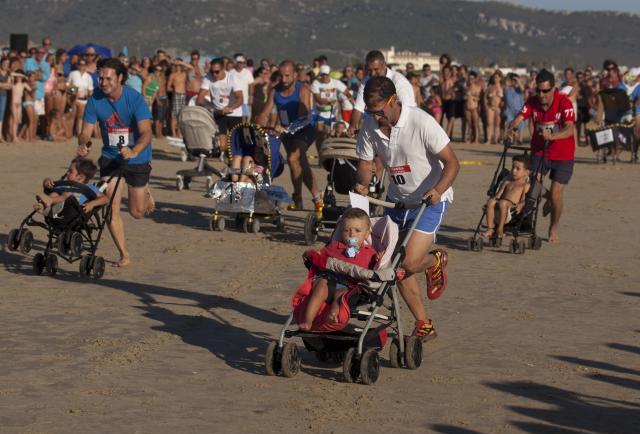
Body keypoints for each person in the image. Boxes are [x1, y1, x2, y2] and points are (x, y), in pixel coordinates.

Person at [354, 76, 460, 339]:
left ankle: (435, 260)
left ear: (393, 102)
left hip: (430, 201)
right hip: (396, 200)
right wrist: (362, 185)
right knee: (392, 266)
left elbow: (452, 163)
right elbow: (366, 164)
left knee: (409, 261)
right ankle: (424, 324)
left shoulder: (420, 121)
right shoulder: (369, 125)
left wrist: (437, 190)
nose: (374, 116)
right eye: (370, 111)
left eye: (378, 111)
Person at [76, 58, 155, 267]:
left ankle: (145, 193)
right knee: (110, 207)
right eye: (100, 77)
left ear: (120, 78)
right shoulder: (95, 100)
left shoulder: (134, 99)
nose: (103, 82)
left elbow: (147, 132)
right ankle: (124, 254)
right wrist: (84, 143)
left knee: (137, 212)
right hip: (111, 158)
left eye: (108, 78)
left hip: (138, 156)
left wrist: (135, 150)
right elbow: (84, 132)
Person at [507, 68, 576, 243]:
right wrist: (512, 129)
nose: (541, 94)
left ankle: (553, 227)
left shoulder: (564, 102)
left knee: (556, 194)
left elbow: (569, 129)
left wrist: (552, 136)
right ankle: (542, 203)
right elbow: (518, 118)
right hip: (540, 150)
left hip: (563, 153)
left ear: (553, 89)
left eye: (545, 90)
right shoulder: (532, 102)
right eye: (538, 90)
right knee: (532, 186)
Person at [256, 60, 322, 213]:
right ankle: (318, 199)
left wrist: (286, 128)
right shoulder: (275, 91)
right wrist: (257, 126)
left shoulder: (302, 89)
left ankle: (297, 198)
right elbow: (264, 113)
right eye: (281, 76)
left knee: (293, 158)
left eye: (287, 76)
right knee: (301, 163)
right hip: (285, 132)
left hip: (305, 129)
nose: (284, 80)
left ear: (294, 75)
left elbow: (303, 116)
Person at [299, 208, 378, 330]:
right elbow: (320, 255)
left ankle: (333, 314)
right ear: (341, 231)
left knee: (341, 295)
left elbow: (377, 269)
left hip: (348, 285)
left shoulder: (370, 252)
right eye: (346, 230)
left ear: (367, 234)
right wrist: (311, 254)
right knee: (320, 288)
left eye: (358, 231)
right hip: (328, 279)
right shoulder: (335, 246)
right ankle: (307, 321)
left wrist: (379, 257)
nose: (352, 234)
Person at [349, 50, 416, 136]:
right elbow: (358, 107)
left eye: (376, 69)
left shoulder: (399, 82)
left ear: (384, 65)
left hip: (403, 127)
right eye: (369, 70)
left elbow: (408, 111)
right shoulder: (366, 81)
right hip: (379, 126)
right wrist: (352, 127)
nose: (373, 74)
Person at [196, 57, 244, 153]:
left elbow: (240, 98)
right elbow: (200, 97)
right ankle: (226, 155)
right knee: (222, 145)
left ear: (223, 69)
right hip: (218, 112)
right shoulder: (208, 77)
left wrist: (230, 107)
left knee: (235, 142)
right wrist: (205, 106)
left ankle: (233, 160)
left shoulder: (233, 78)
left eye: (217, 72)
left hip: (234, 113)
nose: (214, 74)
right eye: (212, 71)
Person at [481, 154, 531, 241]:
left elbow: (523, 199)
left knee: (502, 202)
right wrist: (492, 199)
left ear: (526, 172)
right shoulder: (507, 181)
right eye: (513, 167)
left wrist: (521, 205)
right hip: (499, 209)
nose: (514, 171)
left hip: (511, 211)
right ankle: (490, 229)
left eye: (517, 169)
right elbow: (499, 194)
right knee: (491, 201)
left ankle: (500, 229)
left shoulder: (524, 185)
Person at [35, 157, 107, 215]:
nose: (67, 173)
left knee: (67, 194)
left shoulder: (89, 188)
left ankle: (49, 201)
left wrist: (92, 204)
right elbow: (53, 184)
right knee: (55, 192)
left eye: (70, 171)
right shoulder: (65, 183)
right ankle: (42, 205)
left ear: (80, 177)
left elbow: (105, 199)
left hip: (71, 208)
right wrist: (47, 181)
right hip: (57, 204)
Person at [310, 64, 353, 155]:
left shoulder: (335, 82)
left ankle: (328, 153)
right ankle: (320, 155)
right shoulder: (315, 83)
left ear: (329, 74)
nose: (324, 77)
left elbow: (346, 91)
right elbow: (318, 99)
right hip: (319, 114)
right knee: (320, 133)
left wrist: (351, 99)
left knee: (330, 134)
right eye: (322, 75)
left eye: (326, 74)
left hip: (332, 114)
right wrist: (328, 102)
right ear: (320, 75)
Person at [67, 59, 94, 135]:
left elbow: (90, 90)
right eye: (80, 64)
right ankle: (69, 133)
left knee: (80, 117)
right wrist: (74, 92)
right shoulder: (73, 73)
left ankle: (79, 133)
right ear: (78, 65)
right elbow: (68, 85)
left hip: (84, 100)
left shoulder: (88, 77)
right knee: (72, 116)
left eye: (83, 64)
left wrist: (88, 94)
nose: (82, 66)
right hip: (74, 98)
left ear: (86, 66)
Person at [167, 60, 188, 137]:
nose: (178, 67)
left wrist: (181, 62)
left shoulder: (184, 74)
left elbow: (191, 68)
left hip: (183, 95)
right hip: (176, 95)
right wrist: (174, 90)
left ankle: (179, 132)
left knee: (181, 115)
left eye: (179, 66)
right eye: (177, 65)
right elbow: (168, 87)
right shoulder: (172, 75)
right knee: (174, 115)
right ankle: (173, 133)